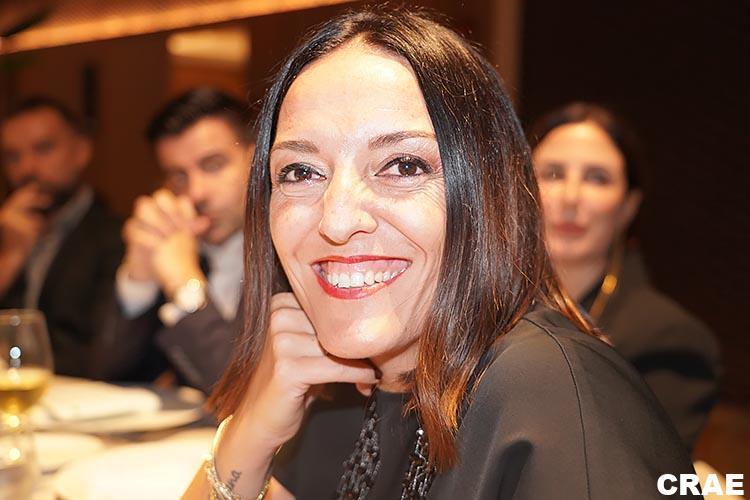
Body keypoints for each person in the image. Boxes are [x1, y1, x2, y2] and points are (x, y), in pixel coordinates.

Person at [184, 8, 700, 500]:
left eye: (403, 165)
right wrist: (251, 428)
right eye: (300, 172)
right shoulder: (338, 386)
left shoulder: (553, 396)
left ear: (489, 189)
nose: (336, 220)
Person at [529, 102, 721, 451]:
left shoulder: (669, 341)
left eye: (597, 178)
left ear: (628, 205)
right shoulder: (473, 308)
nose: (570, 197)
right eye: (553, 173)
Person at [92, 88, 255, 393]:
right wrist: (139, 278)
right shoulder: (176, 247)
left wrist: (184, 285)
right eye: (178, 176)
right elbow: (109, 376)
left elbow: (245, 393)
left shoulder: (288, 253)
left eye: (213, 165)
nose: (195, 193)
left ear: (257, 158)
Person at [0, 97, 123, 377]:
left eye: (43, 148)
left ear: (81, 151)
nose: (27, 168)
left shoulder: (116, 237)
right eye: (13, 156)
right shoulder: (7, 230)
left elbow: (103, 353)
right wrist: (10, 257)